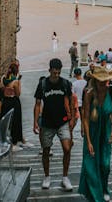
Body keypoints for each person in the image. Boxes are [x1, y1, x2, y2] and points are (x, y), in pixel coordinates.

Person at [79, 66, 112, 202]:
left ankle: (104, 188)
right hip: (92, 131)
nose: (103, 84)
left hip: (106, 130)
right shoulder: (89, 93)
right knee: (90, 163)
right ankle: (95, 192)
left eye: (105, 81)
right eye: (100, 81)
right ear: (95, 81)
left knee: (105, 163)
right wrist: (88, 141)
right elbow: (85, 117)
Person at [33, 58, 74, 191]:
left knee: (67, 148)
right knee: (46, 150)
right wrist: (35, 121)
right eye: (54, 72)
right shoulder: (43, 84)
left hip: (62, 121)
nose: (56, 75)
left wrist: (72, 118)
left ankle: (65, 177)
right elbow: (38, 104)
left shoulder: (65, 84)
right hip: (47, 122)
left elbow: (71, 102)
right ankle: (47, 176)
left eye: (58, 72)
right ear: (49, 70)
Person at [0, 62, 24, 150]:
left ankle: (4, 139)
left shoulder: (3, 78)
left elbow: (2, 90)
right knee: (15, 122)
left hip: (5, 102)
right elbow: (18, 94)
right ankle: (14, 142)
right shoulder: (15, 81)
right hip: (14, 102)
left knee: (6, 122)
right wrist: (19, 82)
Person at [72, 68, 87, 132]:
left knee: (75, 119)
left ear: (75, 74)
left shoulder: (74, 84)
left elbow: (72, 95)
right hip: (85, 103)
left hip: (77, 104)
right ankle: (83, 130)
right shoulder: (86, 82)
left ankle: (71, 131)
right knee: (83, 119)